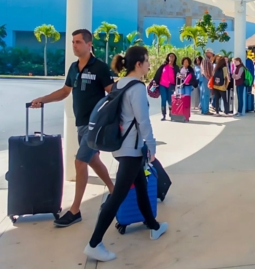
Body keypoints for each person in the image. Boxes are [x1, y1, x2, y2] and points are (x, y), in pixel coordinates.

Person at [84, 46, 168, 262]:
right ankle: (94, 243)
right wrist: (151, 146)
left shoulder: (119, 83)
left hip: (121, 147)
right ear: (138, 64)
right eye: (147, 61)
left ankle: (153, 225)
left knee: (140, 185)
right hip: (132, 149)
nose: (149, 65)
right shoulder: (138, 88)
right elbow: (143, 121)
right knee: (118, 196)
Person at [30, 29, 115, 227]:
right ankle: (115, 190)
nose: (74, 45)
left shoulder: (100, 68)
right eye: (73, 42)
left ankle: (75, 210)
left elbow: (112, 95)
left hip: (95, 126)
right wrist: (43, 100)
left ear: (89, 44)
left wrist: (107, 120)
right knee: (92, 160)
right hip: (81, 124)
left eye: (78, 42)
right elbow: (65, 91)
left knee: (79, 162)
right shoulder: (73, 68)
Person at [152, 53, 179, 121]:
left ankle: (171, 113)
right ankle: (163, 115)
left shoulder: (176, 67)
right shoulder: (163, 66)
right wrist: (155, 81)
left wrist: (178, 79)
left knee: (170, 100)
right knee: (163, 99)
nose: (171, 57)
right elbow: (158, 74)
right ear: (168, 57)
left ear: (175, 58)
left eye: (173, 56)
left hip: (171, 85)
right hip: (162, 85)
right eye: (170, 56)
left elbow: (178, 75)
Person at [178, 57, 195, 122]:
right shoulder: (180, 68)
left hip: (188, 86)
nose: (185, 63)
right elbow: (178, 75)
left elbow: (190, 76)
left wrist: (185, 78)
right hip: (181, 86)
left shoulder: (190, 69)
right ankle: (181, 115)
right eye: (184, 62)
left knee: (187, 101)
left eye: (187, 62)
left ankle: (187, 116)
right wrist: (179, 76)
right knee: (181, 100)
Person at [199, 48, 214, 115]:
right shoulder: (206, 60)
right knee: (206, 95)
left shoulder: (206, 60)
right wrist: (209, 78)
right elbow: (206, 71)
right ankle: (205, 110)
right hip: (206, 78)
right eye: (211, 53)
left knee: (204, 94)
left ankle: (204, 109)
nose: (211, 55)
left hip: (205, 78)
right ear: (207, 53)